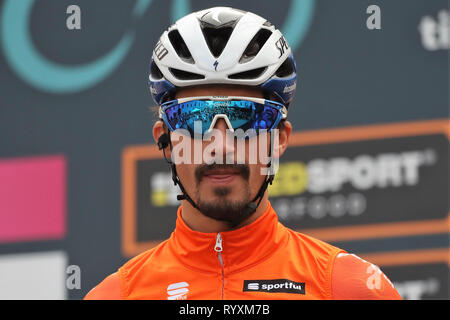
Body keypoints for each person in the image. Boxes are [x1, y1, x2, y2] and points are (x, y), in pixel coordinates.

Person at [84, 7, 401, 300]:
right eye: (195, 118)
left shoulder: (348, 287)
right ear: (166, 141)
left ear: (278, 138)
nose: (221, 146)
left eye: (245, 116)